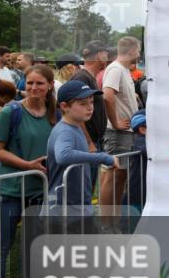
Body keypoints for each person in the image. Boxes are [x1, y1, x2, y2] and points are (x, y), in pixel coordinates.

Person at [0, 65, 55, 278]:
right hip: (9, 191)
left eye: (39, 83)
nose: (34, 88)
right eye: (29, 83)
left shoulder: (55, 113)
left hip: (38, 192)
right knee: (1, 247)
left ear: (50, 85)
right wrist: (27, 165)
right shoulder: (11, 112)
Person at [47, 81, 119, 211]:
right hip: (65, 207)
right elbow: (63, 155)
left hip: (78, 203)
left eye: (91, 102)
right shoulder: (65, 131)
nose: (90, 107)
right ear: (64, 106)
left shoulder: (75, 126)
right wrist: (103, 158)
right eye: (83, 104)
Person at [101, 37, 140, 208]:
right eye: (138, 50)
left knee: (120, 177)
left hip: (124, 132)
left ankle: (113, 218)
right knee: (113, 175)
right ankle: (106, 220)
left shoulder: (122, 69)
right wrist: (115, 122)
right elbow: (107, 95)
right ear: (132, 51)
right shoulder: (116, 69)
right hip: (118, 132)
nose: (139, 55)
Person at [71, 41, 109, 149]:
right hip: (88, 143)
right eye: (106, 55)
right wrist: (89, 143)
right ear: (99, 55)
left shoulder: (88, 77)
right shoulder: (83, 77)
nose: (107, 59)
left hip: (95, 141)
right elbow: (76, 114)